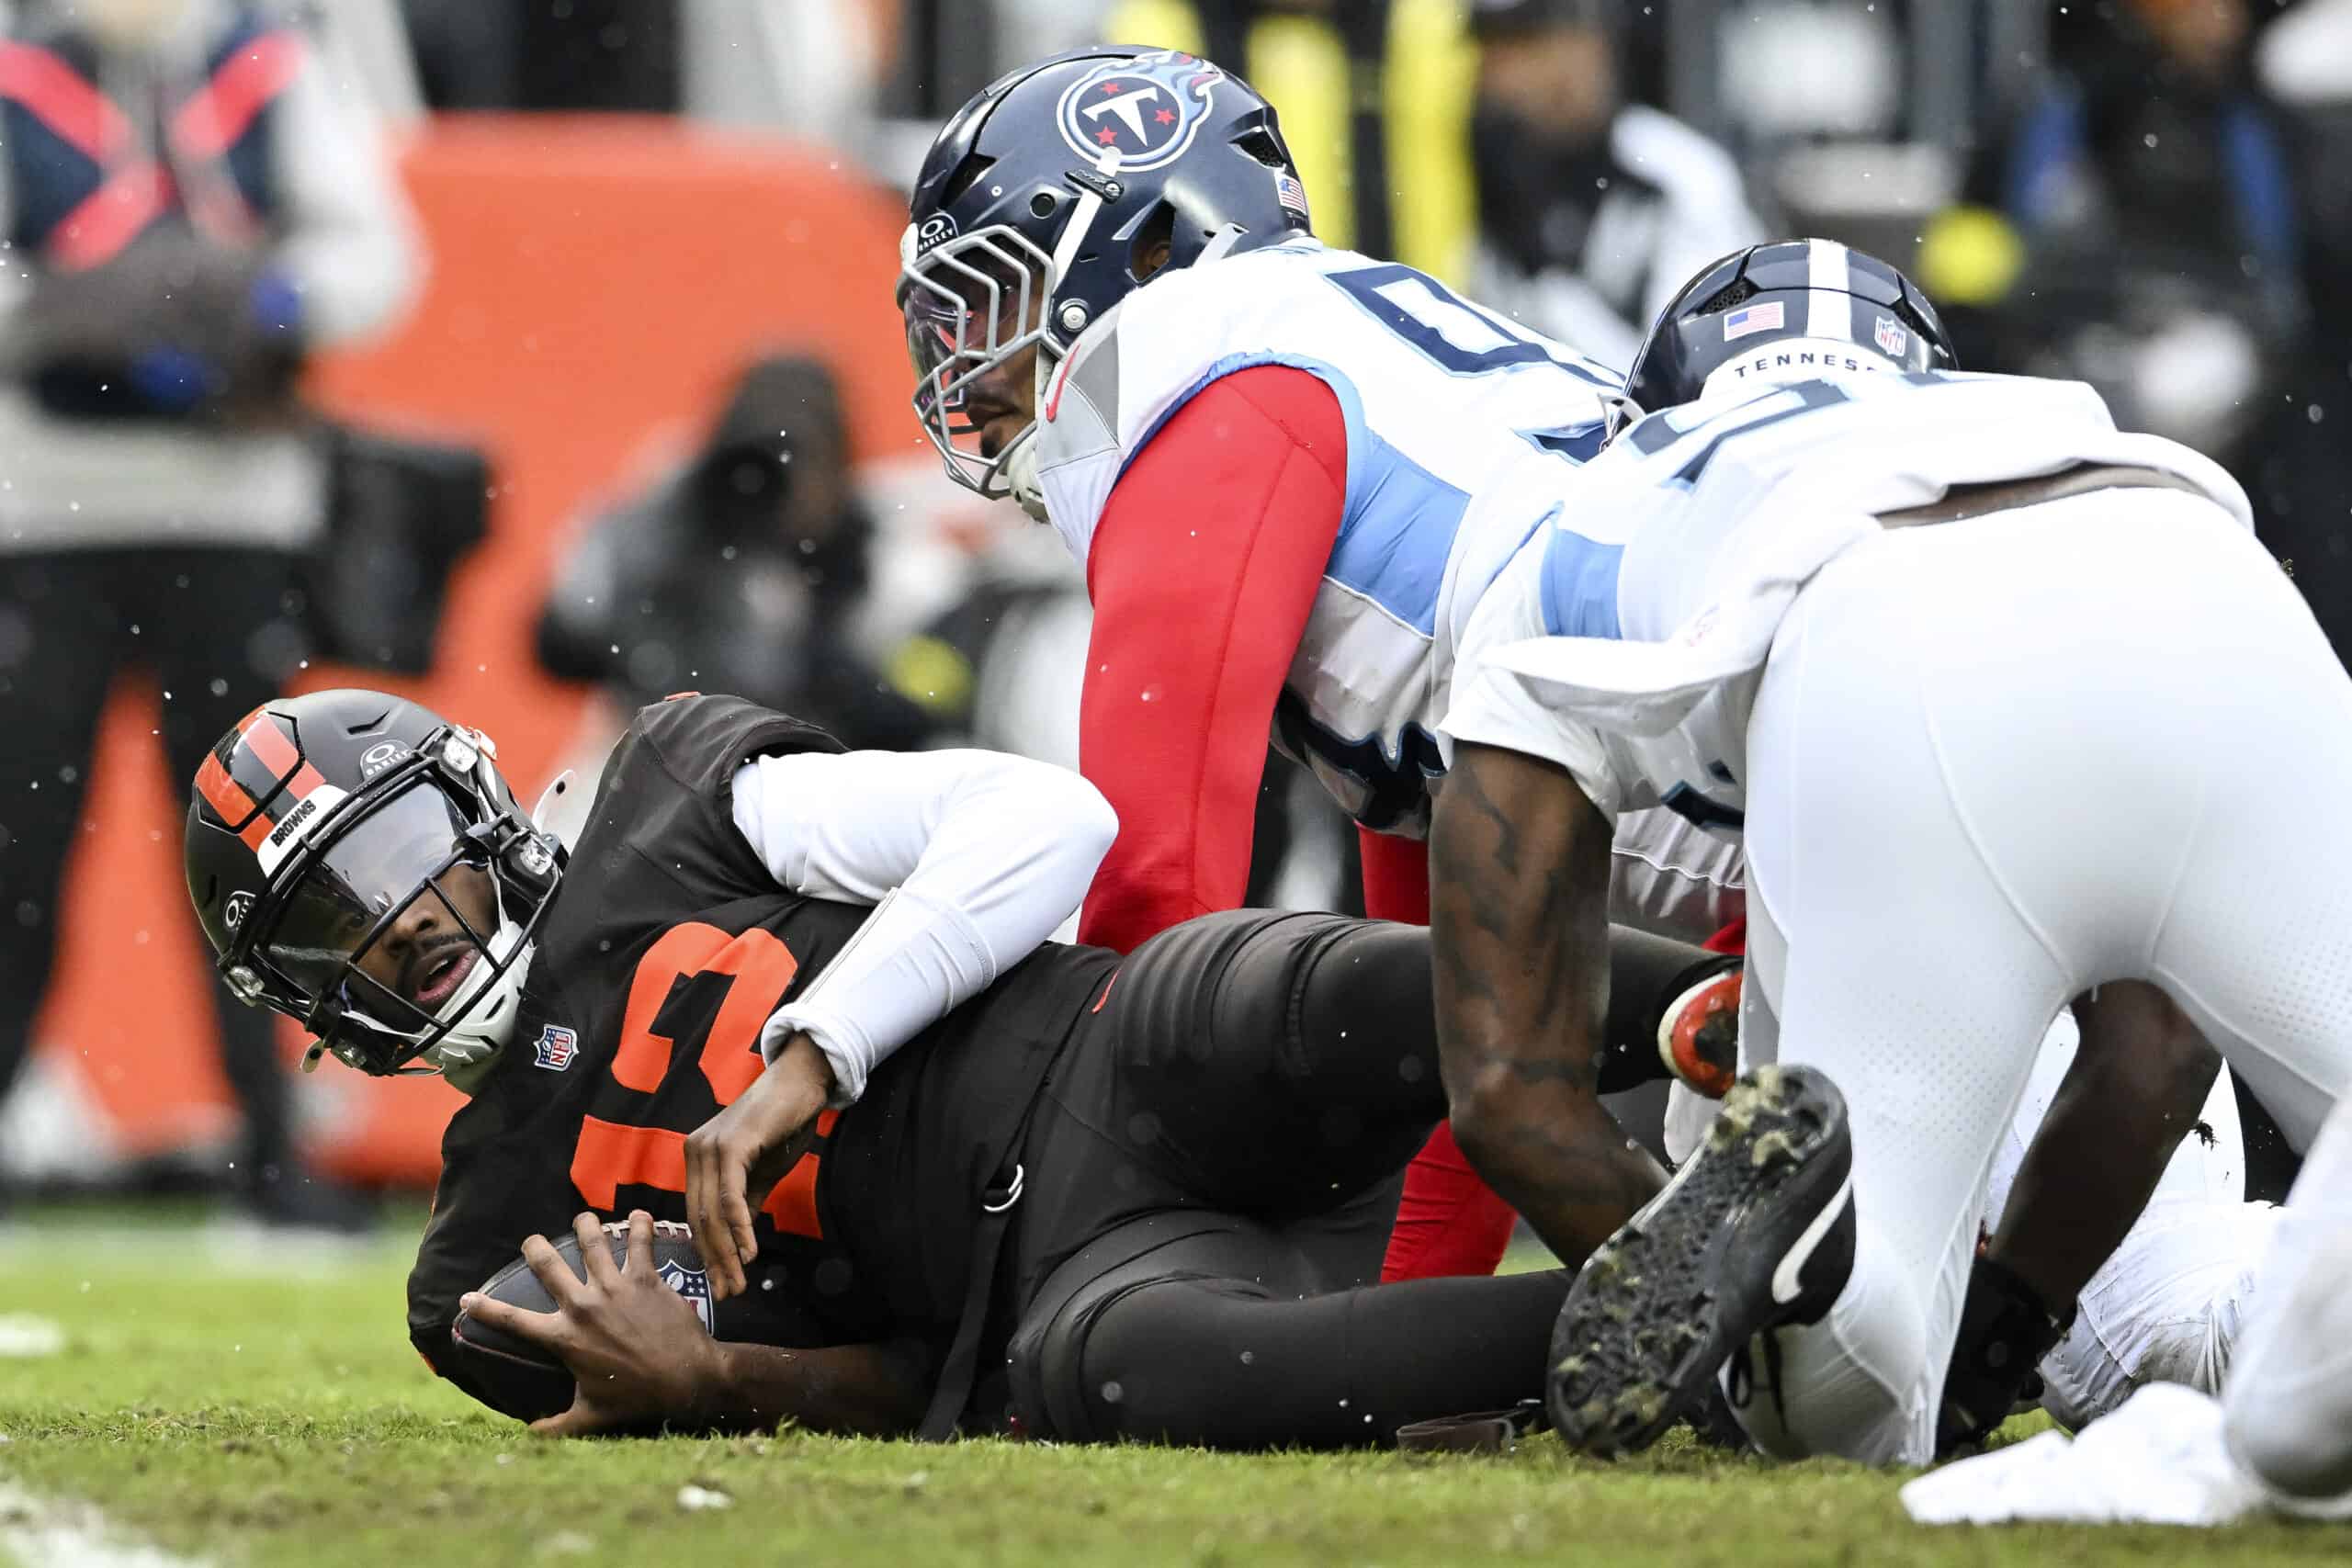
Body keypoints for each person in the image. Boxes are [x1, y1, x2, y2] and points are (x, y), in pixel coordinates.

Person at [179, 686, 1728, 1441]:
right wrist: (714, 1384)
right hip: (1064, 1280)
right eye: (331, 921)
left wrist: (813, 1054)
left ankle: (1734, 1021)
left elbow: (1049, 821)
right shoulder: (478, 1273)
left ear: (477, 804)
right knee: (1111, 1382)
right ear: (298, 999)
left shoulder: (674, 799)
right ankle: (1705, 1326)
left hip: (1124, 1054)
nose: (399, 919)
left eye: (399, 852)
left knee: (1274, 984)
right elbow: (908, 1379)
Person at [1427, 236, 2352, 1465]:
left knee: (1839, 1408)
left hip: (1887, 638)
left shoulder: (1606, 503)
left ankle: (1806, 1284)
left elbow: (1507, 1091)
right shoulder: (2024, 409)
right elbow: (2157, 1045)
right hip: (2201, 570)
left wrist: (1705, 1306)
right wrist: (2009, 1332)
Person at [897, 43, 1649, 1286]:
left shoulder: (1188, 361)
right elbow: (1458, 1026)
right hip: (1700, 708)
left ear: (1138, 249)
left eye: (996, 294)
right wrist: (1401, 1335)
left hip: (1712, 726)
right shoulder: (1346, 345)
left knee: (1854, 1282)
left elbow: (1156, 892)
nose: (972, 359)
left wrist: (1092, 1260)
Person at [0, 0, 419, 1227]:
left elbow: (381, 256)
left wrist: (263, 302)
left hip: (235, 511)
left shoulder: (264, 64)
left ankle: (276, 1151)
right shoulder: (19, 74)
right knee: (22, 849)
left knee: (259, 851)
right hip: (50, 517)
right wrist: (81, 314)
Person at [1464, 0, 1770, 368]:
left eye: (1524, 44)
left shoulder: (1677, 172)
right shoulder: (1498, 171)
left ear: (1590, 44)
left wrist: (1547, 282)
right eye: (1491, 47)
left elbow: (1683, 377)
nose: (1503, 73)